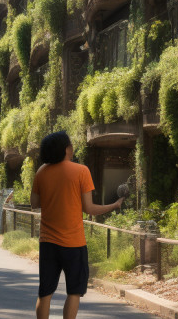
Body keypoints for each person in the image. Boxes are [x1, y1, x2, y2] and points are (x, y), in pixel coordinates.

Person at [31, 131, 123, 319]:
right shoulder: (81, 171)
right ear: (66, 149)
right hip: (74, 243)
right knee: (74, 292)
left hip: (47, 243)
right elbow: (89, 208)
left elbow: (34, 203)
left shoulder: (41, 172)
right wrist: (114, 205)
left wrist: (53, 197)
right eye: (70, 145)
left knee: (45, 292)